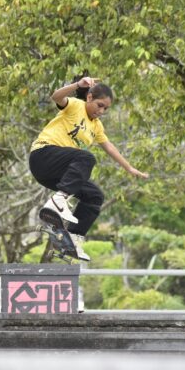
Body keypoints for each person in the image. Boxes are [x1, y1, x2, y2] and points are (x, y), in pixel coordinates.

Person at [29, 76, 149, 260]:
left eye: (106, 109)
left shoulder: (97, 126)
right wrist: (77, 85)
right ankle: (58, 200)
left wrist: (129, 168)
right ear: (90, 97)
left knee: (94, 196)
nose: (101, 111)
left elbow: (109, 147)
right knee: (86, 158)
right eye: (99, 105)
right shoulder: (75, 105)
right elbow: (56, 97)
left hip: (56, 174)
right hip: (43, 155)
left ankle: (73, 241)